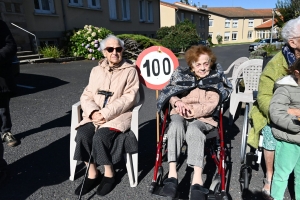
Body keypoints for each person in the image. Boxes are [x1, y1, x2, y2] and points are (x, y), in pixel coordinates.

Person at [157, 45, 232, 200]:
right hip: (180, 112)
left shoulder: (215, 78)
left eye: (206, 63)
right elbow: (169, 92)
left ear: (210, 63)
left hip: (203, 118)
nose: (203, 68)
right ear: (191, 64)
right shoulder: (182, 76)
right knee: (175, 126)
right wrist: (177, 102)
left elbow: (212, 104)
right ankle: (172, 176)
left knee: (193, 129)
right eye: (198, 64)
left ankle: (197, 181)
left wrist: (192, 110)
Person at [73, 35, 139, 197]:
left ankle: (110, 174)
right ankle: (93, 174)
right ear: (104, 52)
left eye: (118, 49)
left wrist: (106, 113)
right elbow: (87, 95)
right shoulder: (96, 71)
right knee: (82, 134)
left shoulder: (130, 71)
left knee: (100, 137)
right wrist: (94, 112)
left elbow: (129, 98)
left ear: (122, 50)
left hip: (119, 116)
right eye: (110, 49)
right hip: (95, 115)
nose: (114, 52)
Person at [247, 16, 300, 200]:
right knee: (270, 132)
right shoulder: (277, 64)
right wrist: (285, 112)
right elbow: (263, 95)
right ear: (293, 42)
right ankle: (270, 176)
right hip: (275, 111)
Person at [269, 58, 300, 200]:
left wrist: (294, 111)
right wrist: (295, 122)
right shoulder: (285, 89)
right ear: (297, 73)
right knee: (281, 175)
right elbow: (276, 112)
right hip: (290, 139)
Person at [0, 19, 18, 186]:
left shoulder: (0, 24)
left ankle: (6, 131)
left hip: (0, 78)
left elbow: (11, 46)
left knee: (3, 108)